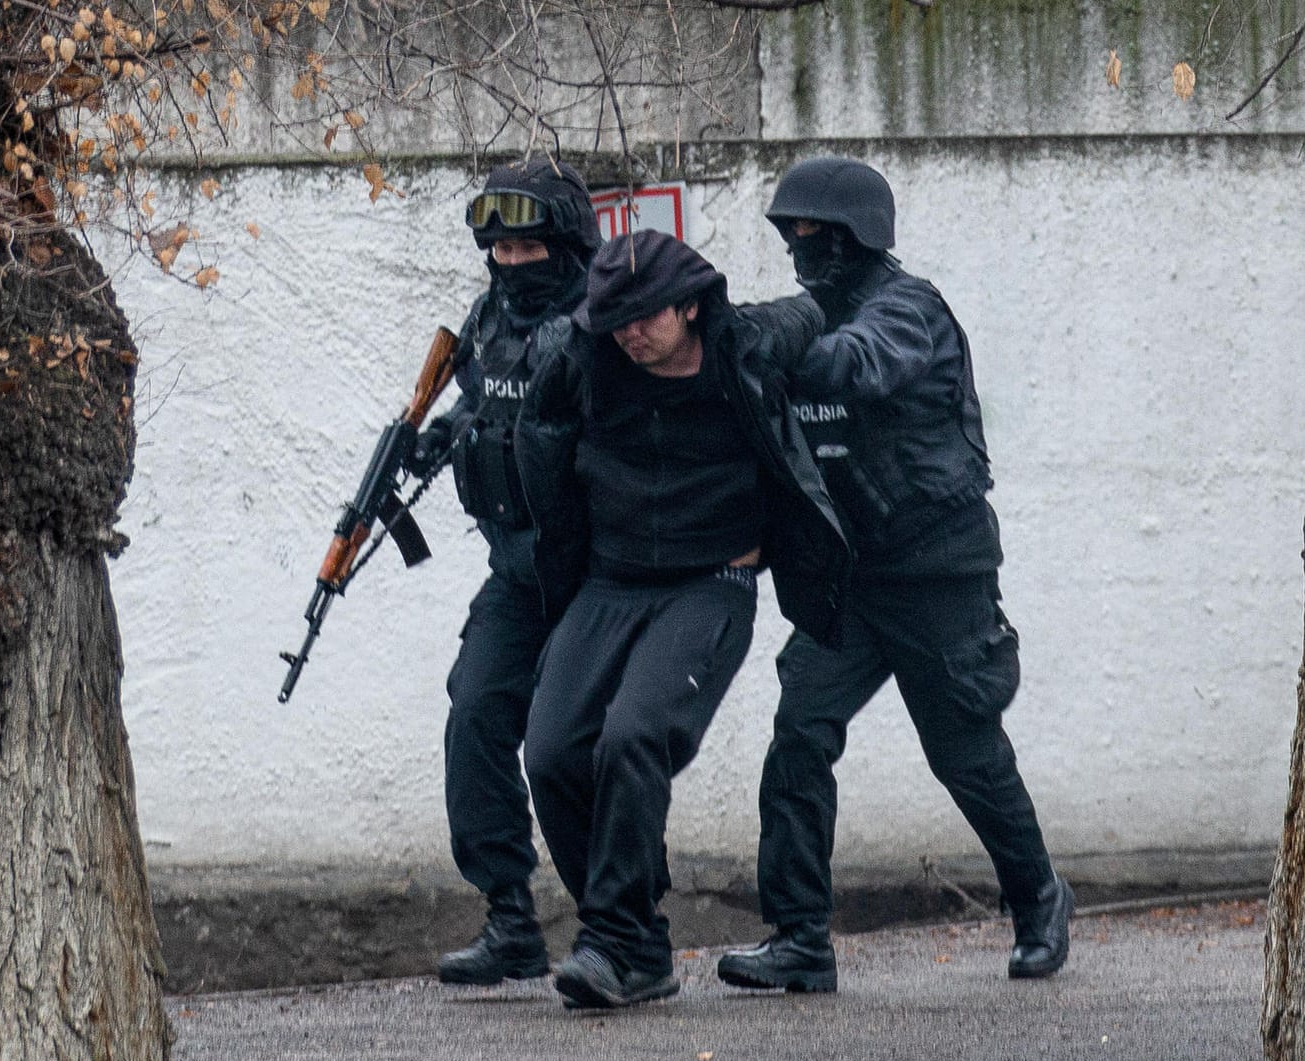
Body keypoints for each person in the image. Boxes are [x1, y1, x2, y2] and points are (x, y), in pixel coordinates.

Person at [716, 156, 1073, 995]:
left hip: (937, 575)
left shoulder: (909, 311)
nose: (800, 247)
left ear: (854, 235)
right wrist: (720, 335)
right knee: (800, 734)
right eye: (790, 233)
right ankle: (800, 937)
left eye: (814, 232)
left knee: (965, 753)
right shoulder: (813, 311)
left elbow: (854, 364)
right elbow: (774, 337)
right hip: (853, 579)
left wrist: (772, 345)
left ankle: (1039, 899)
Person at [515, 229, 850, 1010]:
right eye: (615, 318)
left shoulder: (747, 345)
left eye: (646, 317)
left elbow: (818, 311)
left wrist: (852, 287)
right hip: (609, 580)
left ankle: (612, 940)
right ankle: (636, 941)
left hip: (712, 580)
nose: (630, 332)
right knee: (553, 750)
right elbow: (537, 437)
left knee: (635, 735)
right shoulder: (584, 354)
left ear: (692, 306)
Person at [416, 159, 600, 986]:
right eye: (501, 249)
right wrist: (442, 433)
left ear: (565, 243)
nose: (514, 262)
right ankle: (510, 916)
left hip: (597, 574)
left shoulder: (605, 319)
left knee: (575, 747)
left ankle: (616, 923)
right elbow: (479, 399)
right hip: (516, 573)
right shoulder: (489, 315)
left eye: (529, 246)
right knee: (475, 716)